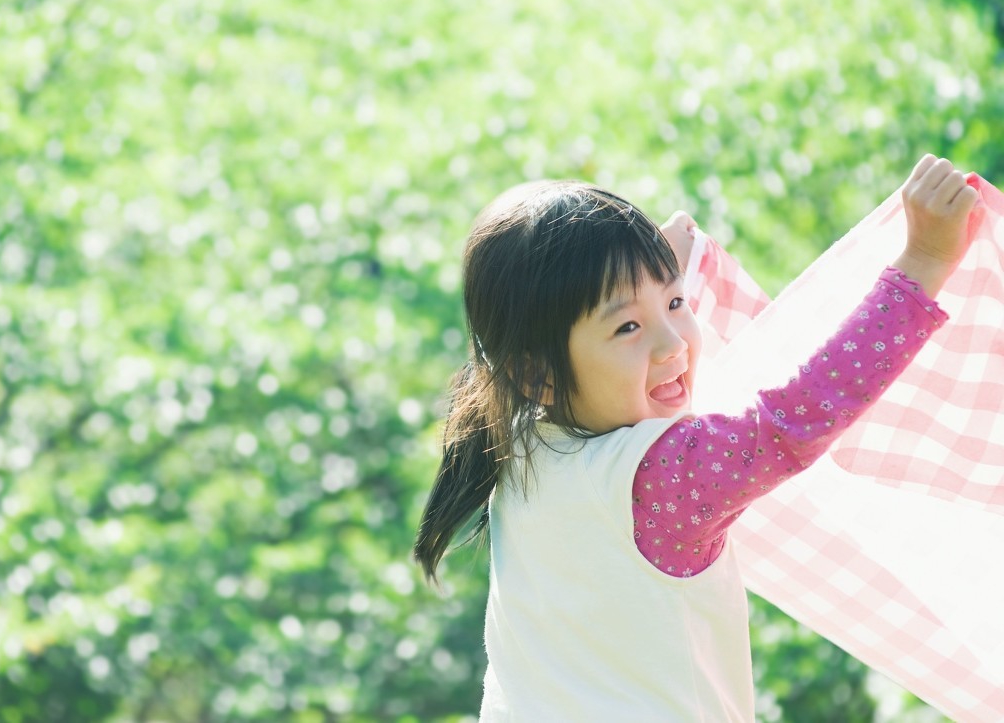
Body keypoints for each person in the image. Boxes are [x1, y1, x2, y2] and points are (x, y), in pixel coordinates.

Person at [412, 154, 982, 721]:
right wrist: (923, 262)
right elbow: (796, 417)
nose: (673, 345)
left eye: (676, 302)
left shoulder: (517, 442)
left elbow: (537, 335)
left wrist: (637, 283)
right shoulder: (661, 478)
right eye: (628, 327)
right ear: (536, 373)